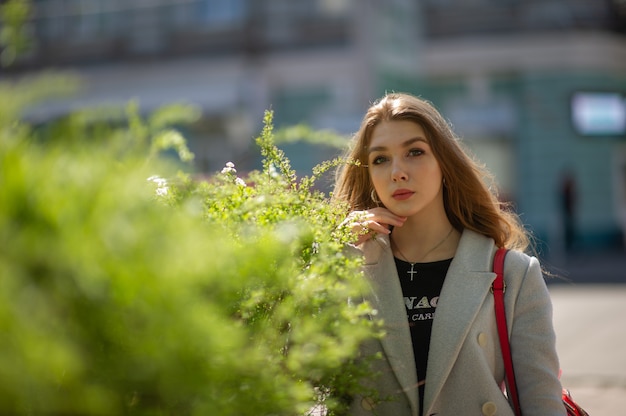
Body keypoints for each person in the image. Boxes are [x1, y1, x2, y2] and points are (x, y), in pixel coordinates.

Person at [333, 93, 565, 416]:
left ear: (444, 162)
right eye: (380, 159)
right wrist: (334, 257)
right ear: (369, 174)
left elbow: (544, 405)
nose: (397, 171)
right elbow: (310, 378)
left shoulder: (513, 274)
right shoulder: (347, 267)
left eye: (415, 152)